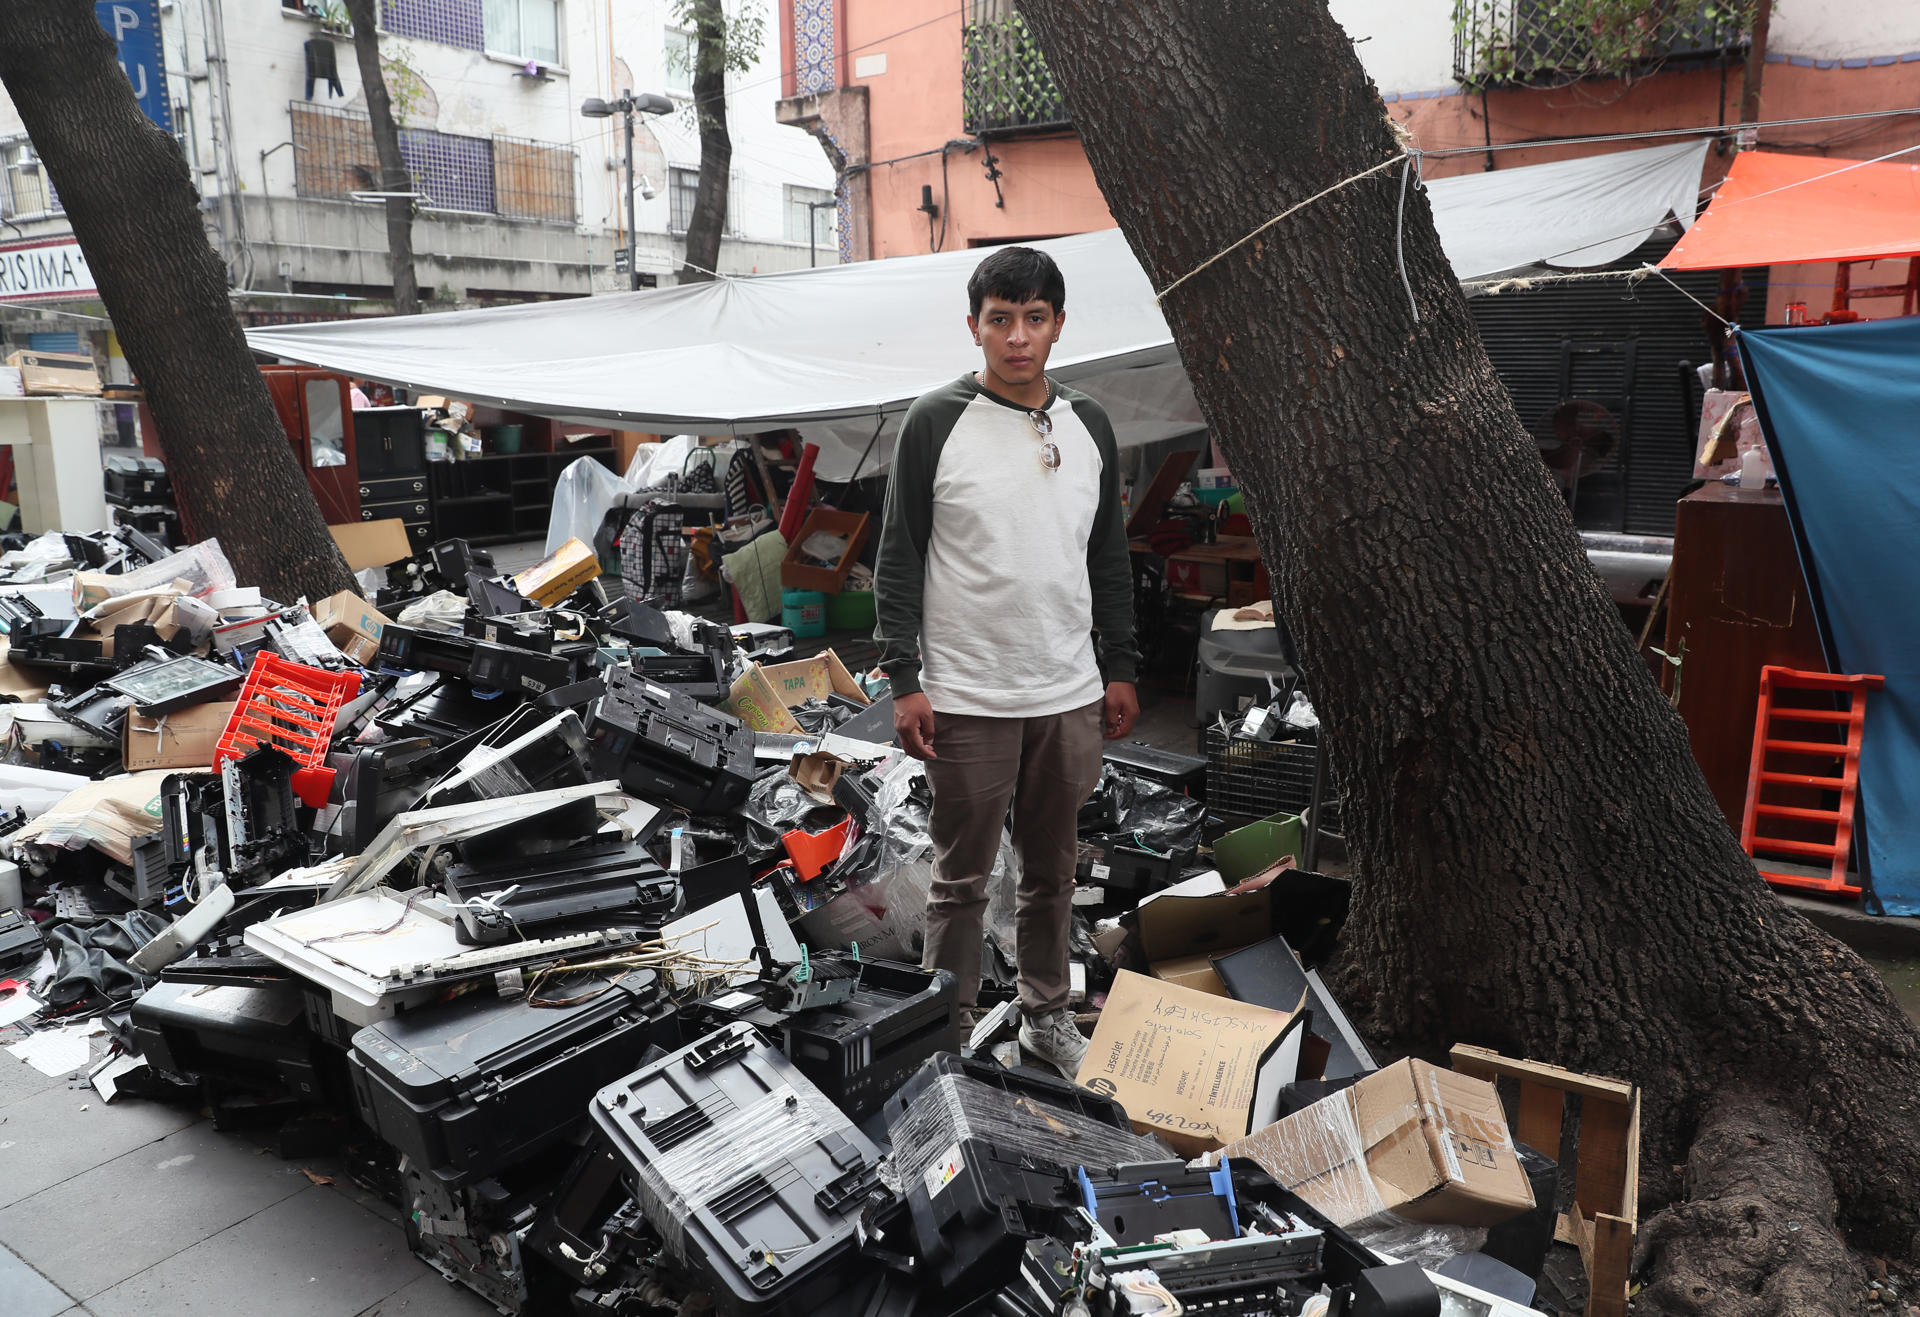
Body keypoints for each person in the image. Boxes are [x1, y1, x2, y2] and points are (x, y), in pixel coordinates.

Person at [873, 245, 1139, 1079]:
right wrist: (904, 679)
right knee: (961, 881)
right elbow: (898, 557)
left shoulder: (1089, 423)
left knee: (1053, 873)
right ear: (975, 325)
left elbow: (1109, 557)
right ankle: (942, 1032)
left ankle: (1046, 1015)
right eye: (1000, 319)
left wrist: (1122, 664)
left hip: (1068, 690)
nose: (1017, 337)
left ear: (1057, 325)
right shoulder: (934, 421)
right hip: (970, 693)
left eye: (1033, 318)